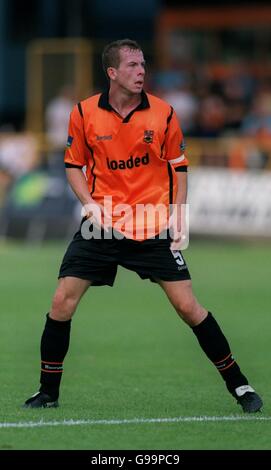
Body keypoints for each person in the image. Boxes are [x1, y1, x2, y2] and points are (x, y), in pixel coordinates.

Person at [24, 39, 262, 413]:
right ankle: (47, 392)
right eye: (133, 65)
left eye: (143, 65)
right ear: (112, 73)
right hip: (101, 226)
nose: (141, 72)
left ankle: (241, 387)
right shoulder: (84, 113)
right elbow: (73, 165)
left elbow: (179, 166)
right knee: (61, 302)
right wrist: (90, 206)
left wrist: (179, 214)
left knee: (188, 306)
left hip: (153, 224)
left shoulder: (163, 113)